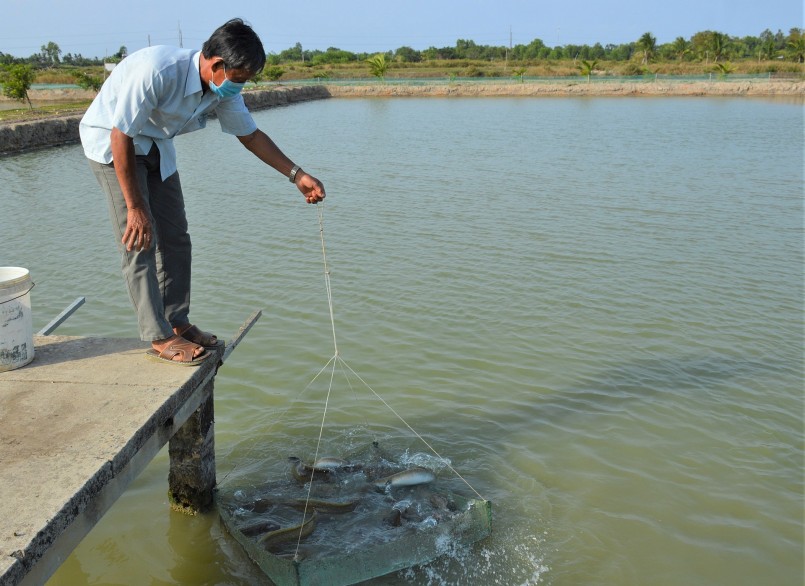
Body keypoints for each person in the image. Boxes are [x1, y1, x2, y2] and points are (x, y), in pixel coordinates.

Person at [79, 18, 325, 366]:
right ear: (216, 64)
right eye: (239, 77)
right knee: (139, 238)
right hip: (112, 144)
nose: (240, 86)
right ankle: (158, 335)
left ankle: (176, 321)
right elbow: (121, 135)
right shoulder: (157, 71)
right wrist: (135, 207)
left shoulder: (222, 89)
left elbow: (250, 135)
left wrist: (296, 175)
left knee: (177, 237)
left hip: (156, 145)